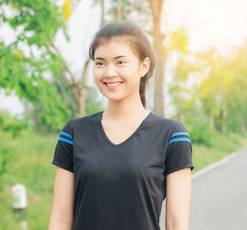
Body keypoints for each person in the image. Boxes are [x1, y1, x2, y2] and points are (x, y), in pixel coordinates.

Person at [48, 21, 194, 230]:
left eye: (120, 62)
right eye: (100, 63)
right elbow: (60, 220)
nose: (109, 72)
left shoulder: (172, 135)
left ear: (144, 66)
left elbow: (176, 224)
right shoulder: (73, 133)